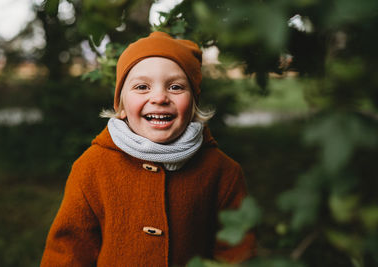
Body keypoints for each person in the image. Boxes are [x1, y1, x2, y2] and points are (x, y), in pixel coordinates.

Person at [40, 31, 256, 266]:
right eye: (142, 86)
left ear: (193, 103)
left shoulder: (222, 171)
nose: (159, 97)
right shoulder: (91, 167)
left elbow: (236, 253)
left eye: (175, 87)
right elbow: (67, 252)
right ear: (121, 105)